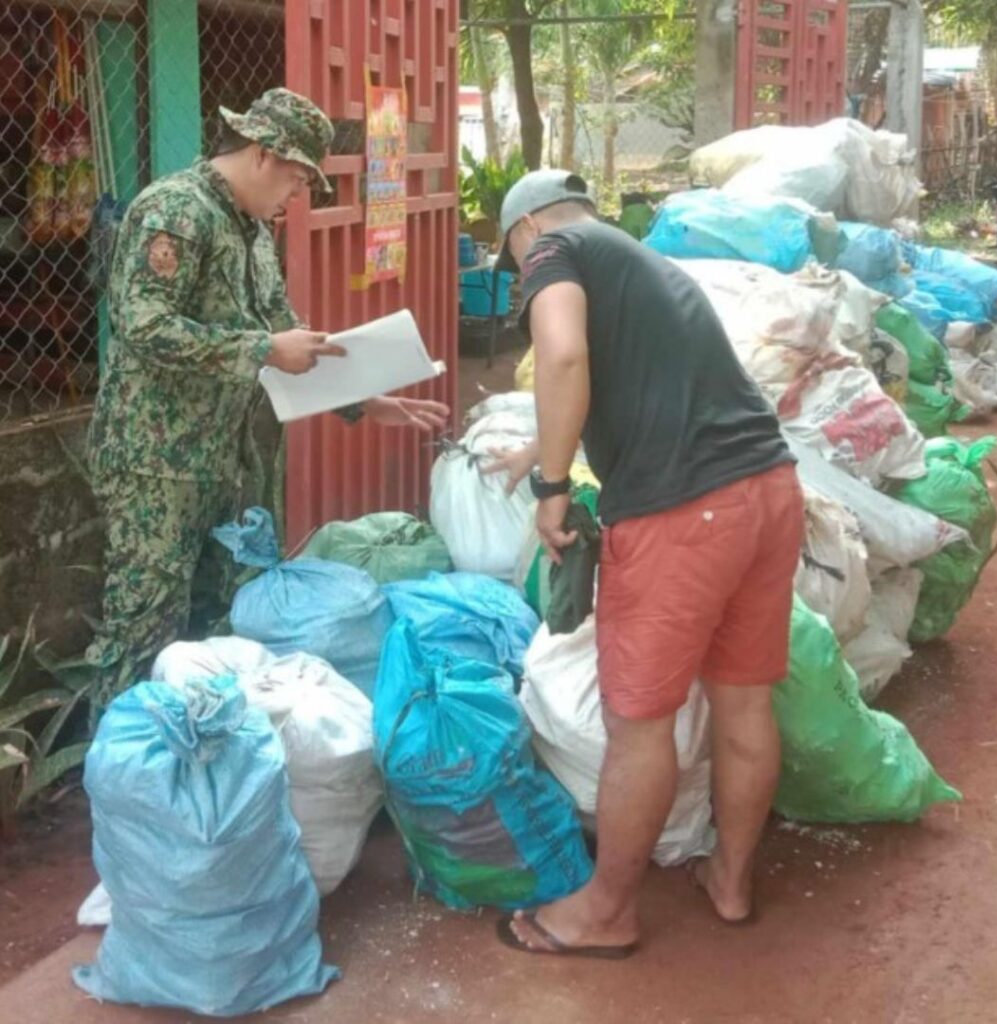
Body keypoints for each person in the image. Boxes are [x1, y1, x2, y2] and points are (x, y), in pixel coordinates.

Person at [485, 170, 804, 956]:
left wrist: (551, 489)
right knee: (742, 703)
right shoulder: (638, 259)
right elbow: (618, 374)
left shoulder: (552, 251)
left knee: (639, 725)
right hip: (768, 491)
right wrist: (536, 445)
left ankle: (606, 912)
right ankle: (730, 884)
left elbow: (562, 355)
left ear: (525, 231)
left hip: (681, 514)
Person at [86, 88, 448, 711]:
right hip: (154, 465)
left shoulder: (251, 232)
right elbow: (143, 328)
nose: (296, 197)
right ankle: (123, 774)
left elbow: (289, 341)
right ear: (260, 153)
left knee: (213, 622)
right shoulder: (176, 210)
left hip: (219, 461)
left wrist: (365, 400)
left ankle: (198, 771)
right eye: (296, 178)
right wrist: (260, 349)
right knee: (142, 627)